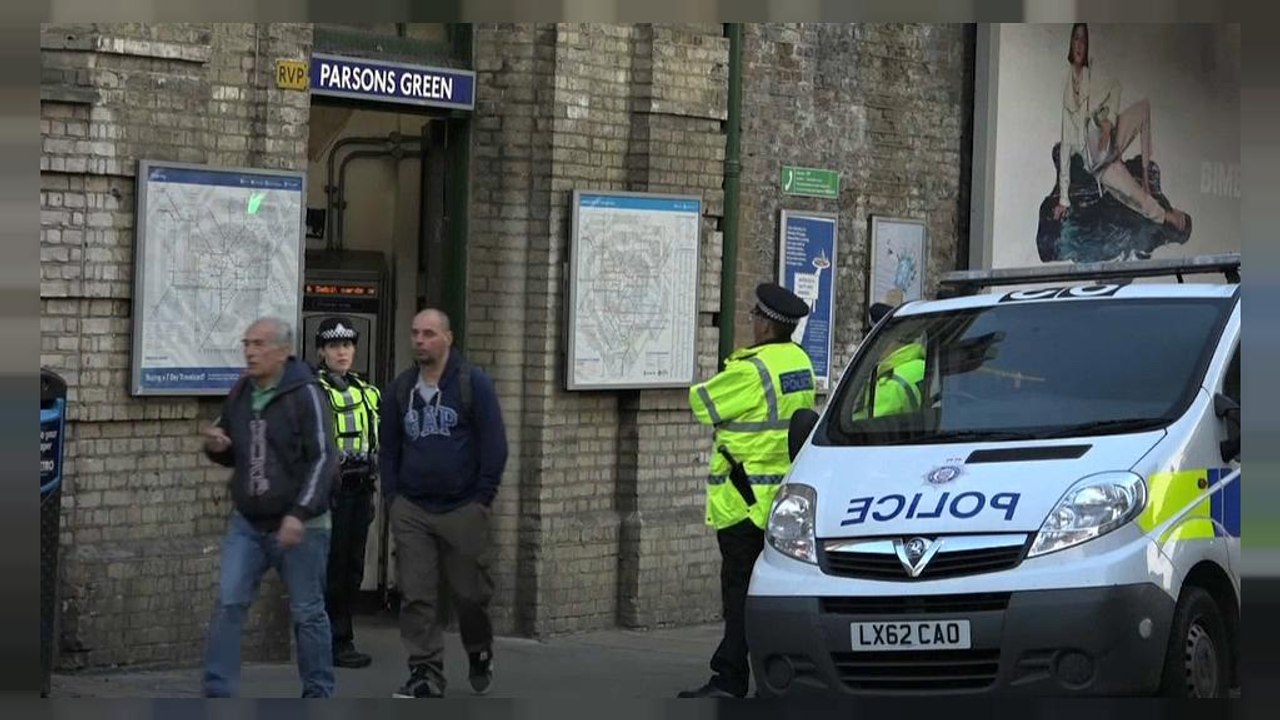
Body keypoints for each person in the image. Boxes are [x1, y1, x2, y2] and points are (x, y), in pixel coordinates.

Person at [679, 283, 817, 699]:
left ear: (766, 326)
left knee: (738, 595)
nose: (752, 322)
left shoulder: (751, 370)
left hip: (742, 501)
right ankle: (776, 676)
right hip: (780, 501)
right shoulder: (800, 361)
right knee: (773, 594)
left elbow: (701, 402)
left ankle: (730, 677)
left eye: (756, 317)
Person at [199, 317, 339, 698]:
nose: (250, 351)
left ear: (283, 351)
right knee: (229, 601)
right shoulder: (243, 390)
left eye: (259, 344)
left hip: (301, 524)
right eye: (247, 343)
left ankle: (318, 693)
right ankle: (218, 692)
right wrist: (217, 446)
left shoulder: (305, 392)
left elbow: (325, 458)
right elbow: (234, 449)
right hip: (249, 522)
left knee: (307, 612)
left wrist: (301, 512)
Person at [378, 308, 509, 698]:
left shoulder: (473, 384)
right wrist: (393, 498)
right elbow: (389, 450)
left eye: (429, 333)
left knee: (470, 596)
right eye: (415, 333)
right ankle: (425, 671)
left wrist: (482, 499)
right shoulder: (400, 391)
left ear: (448, 338)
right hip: (413, 509)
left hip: (463, 508)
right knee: (417, 594)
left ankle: (478, 649)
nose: (420, 340)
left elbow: (495, 445)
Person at [1052, 22, 1190, 233]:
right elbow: (1064, 150)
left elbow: (1115, 87)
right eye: (1076, 39)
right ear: (1070, 44)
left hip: (1112, 138)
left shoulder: (1091, 77)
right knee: (1137, 198)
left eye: (1083, 40)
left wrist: (1109, 122)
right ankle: (1168, 217)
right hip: (1103, 166)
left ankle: (1145, 178)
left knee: (1144, 107)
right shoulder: (1066, 89)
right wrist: (1063, 199)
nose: (1079, 44)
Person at [313, 317, 382, 669]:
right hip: (330, 493)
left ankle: (340, 635)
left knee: (352, 567)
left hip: (361, 490)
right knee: (333, 567)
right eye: (334, 346)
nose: (342, 352)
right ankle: (333, 641)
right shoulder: (315, 392)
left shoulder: (367, 391)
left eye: (348, 345)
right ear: (322, 351)